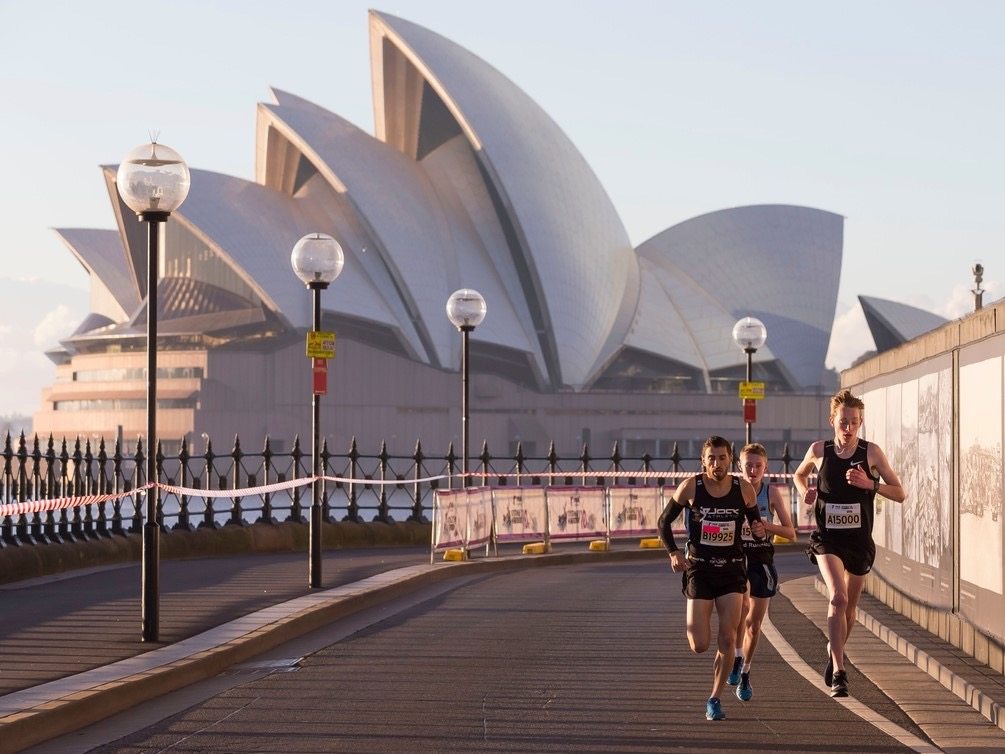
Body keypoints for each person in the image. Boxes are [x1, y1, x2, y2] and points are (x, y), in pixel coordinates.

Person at [793, 389, 906, 698]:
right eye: (843, 421)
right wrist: (805, 490)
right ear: (833, 421)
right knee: (838, 598)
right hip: (828, 539)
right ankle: (840, 672)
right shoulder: (820, 450)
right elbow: (798, 474)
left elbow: (900, 492)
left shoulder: (871, 453)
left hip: (858, 541)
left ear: (860, 423)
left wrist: (871, 484)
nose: (848, 428)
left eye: (854, 422)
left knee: (851, 609)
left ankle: (834, 649)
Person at [658, 435, 766, 720]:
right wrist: (672, 553)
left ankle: (715, 698)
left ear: (730, 459)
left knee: (728, 639)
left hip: (731, 570)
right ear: (703, 462)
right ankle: (723, 664)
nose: (717, 464)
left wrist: (758, 530)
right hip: (700, 569)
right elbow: (664, 522)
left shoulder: (743, 489)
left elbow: (755, 521)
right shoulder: (691, 487)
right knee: (699, 644)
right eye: (711, 459)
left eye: (722, 458)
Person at [726, 443, 796, 701]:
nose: (753, 470)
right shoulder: (732, 492)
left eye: (758, 466)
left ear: (766, 468)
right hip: (736, 558)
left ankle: (745, 671)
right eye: (748, 465)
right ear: (739, 467)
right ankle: (735, 655)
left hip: (762, 558)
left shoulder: (771, 493)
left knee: (754, 625)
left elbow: (791, 533)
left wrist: (767, 526)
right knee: (740, 609)